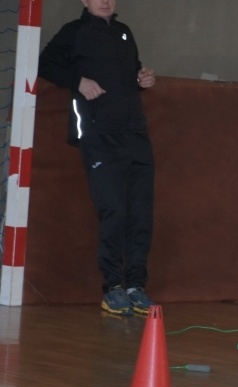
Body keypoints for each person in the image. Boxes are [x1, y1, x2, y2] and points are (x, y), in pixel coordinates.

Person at [38, 0, 156, 317]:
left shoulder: (124, 32)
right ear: (85, 1)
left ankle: (136, 286)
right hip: (99, 135)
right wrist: (77, 81)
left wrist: (143, 78)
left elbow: (131, 74)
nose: (105, 1)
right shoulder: (73, 32)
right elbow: (44, 64)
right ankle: (113, 288)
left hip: (135, 135)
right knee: (114, 210)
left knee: (140, 213)